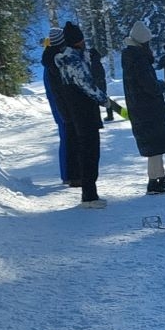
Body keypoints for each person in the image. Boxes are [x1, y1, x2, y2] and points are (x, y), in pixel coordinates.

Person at [54, 22, 107, 208]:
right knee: (90, 153)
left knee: (86, 152)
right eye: (81, 39)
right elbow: (88, 86)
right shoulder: (74, 61)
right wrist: (104, 100)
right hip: (85, 113)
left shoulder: (66, 60)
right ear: (76, 41)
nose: (84, 42)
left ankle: (89, 194)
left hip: (77, 113)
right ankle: (90, 196)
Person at [121, 21, 165, 194]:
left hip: (141, 108)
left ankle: (158, 177)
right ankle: (155, 181)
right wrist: (162, 85)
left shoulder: (131, 57)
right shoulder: (139, 60)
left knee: (155, 147)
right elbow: (150, 86)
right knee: (155, 145)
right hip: (148, 109)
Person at [41, 26, 78, 185]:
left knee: (67, 137)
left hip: (60, 105)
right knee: (67, 137)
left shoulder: (50, 58)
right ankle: (68, 174)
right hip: (62, 106)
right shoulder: (54, 61)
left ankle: (68, 173)